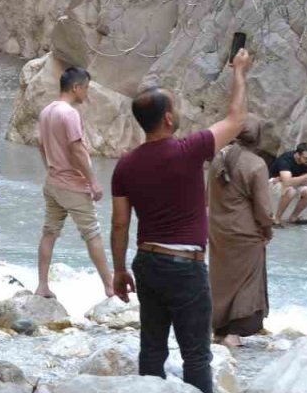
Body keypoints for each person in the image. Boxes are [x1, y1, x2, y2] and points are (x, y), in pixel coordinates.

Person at [110, 49, 254, 393]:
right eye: (175, 108)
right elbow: (237, 120)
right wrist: (239, 72)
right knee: (196, 355)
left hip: (147, 261)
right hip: (185, 266)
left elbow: (119, 224)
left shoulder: (125, 165)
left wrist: (119, 270)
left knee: (152, 349)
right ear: (168, 119)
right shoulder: (189, 150)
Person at [35, 66, 113, 300]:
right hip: (73, 185)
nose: (87, 93)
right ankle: (110, 287)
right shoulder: (69, 114)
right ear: (76, 87)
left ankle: (42, 285)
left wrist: (51, 169)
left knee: (49, 232)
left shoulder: (47, 111)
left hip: (53, 182)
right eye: (86, 88)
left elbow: (41, 145)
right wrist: (93, 182)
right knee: (92, 233)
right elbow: (76, 149)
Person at [208, 115, 273, 348]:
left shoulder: (218, 158)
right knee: (247, 281)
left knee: (222, 279)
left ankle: (219, 328)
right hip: (245, 232)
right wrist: (267, 229)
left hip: (217, 229)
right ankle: (234, 333)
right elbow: (263, 209)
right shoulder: (256, 164)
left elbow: (208, 197)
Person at [269, 143, 307, 226]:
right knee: (290, 191)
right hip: (273, 182)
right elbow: (287, 182)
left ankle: (293, 218)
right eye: (305, 158)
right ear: (297, 155)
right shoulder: (285, 159)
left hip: (290, 181)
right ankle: (277, 219)